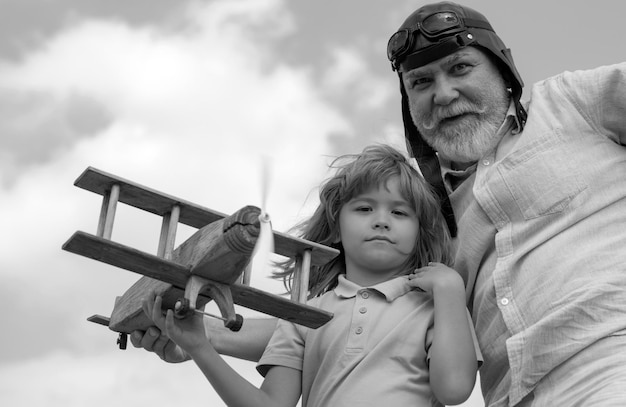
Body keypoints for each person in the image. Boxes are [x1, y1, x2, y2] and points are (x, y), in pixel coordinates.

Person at [134, 2, 626, 405]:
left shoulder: (571, 103)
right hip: (517, 396)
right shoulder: (427, 222)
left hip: (610, 362)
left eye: (460, 68)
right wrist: (198, 338)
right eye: (421, 83)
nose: (445, 93)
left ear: (503, 69)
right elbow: (349, 328)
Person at [141, 144, 481, 406]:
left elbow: (454, 389)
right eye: (364, 208)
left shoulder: (437, 305)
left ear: (420, 232)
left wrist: (451, 289)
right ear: (335, 227)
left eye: (399, 212)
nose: (381, 220)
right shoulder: (303, 318)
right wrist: (201, 348)